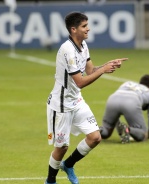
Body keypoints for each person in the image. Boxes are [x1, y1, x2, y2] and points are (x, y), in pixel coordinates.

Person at [45, 12, 128, 184]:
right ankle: (50, 181)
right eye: (84, 26)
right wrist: (103, 70)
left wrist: (108, 65)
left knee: (95, 137)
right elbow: (81, 82)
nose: (88, 28)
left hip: (76, 100)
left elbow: (91, 70)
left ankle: (68, 165)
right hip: (61, 105)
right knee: (62, 147)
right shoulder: (67, 50)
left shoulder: (83, 45)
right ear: (73, 29)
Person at [100, 74, 149, 143]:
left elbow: (118, 109)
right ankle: (128, 129)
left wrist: (116, 123)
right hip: (132, 101)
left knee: (106, 132)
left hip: (113, 99)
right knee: (142, 134)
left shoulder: (127, 83)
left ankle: (98, 130)